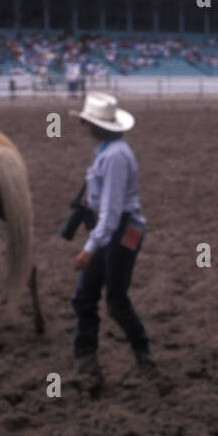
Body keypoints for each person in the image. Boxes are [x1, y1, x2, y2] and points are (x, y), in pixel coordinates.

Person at [67, 92, 155, 397]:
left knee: (111, 299)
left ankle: (140, 361)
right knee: (89, 297)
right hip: (117, 231)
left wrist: (89, 248)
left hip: (119, 231)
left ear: (93, 127)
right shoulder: (111, 152)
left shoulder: (113, 156)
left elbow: (111, 211)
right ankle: (89, 366)